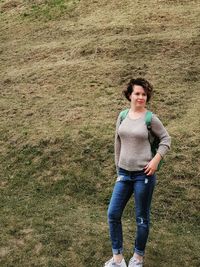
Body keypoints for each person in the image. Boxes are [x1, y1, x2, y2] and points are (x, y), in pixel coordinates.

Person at [104, 78, 171, 267]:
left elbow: (166, 139)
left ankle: (138, 258)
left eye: (144, 94)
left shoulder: (150, 118)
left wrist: (156, 161)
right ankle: (118, 259)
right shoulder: (123, 116)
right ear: (130, 95)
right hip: (124, 174)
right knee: (113, 214)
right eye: (137, 93)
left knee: (141, 218)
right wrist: (118, 170)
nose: (141, 97)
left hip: (144, 175)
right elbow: (117, 143)